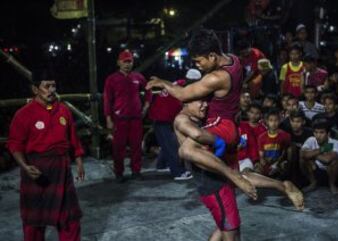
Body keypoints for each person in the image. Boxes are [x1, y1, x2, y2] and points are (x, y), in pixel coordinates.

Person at [146, 28, 257, 198]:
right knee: (182, 125)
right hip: (229, 121)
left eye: (199, 61)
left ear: (212, 56)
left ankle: (230, 174)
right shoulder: (233, 60)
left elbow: (183, 94)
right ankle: (282, 186)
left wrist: (163, 82)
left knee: (186, 150)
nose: (197, 65)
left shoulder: (216, 78)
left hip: (220, 124)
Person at [174, 100, 304, 241]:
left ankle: (282, 186)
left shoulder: (203, 118)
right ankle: (282, 186)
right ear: (186, 101)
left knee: (228, 227)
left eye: (206, 101)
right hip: (212, 184)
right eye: (200, 101)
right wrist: (217, 141)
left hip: (215, 178)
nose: (205, 105)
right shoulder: (182, 119)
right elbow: (193, 138)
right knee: (230, 230)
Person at [7, 68, 84, 241]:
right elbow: (15, 144)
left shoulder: (64, 111)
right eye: (46, 86)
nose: (51, 90)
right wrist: (25, 166)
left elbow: (73, 139)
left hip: (62, 169)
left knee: (70, 219)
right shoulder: (23, 114)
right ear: (35, 89)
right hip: (37, 170)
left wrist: (78, 160)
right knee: (34, 221)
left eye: (53, 86)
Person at [103, 50, 152, 181]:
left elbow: (148, 91)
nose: (127, 64)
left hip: (136, 118)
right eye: (124, 61)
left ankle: (136, 171)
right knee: (118, 148)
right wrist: (108, 118)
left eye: (129, 61)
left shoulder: (138, 77)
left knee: (136, 146)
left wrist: (146, 106)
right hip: (119, 119)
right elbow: (107, 99)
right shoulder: (112, 79)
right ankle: (119, 173)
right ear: (119, 62)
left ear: (133, 62)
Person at [148, 69, 201, 180]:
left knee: (166, 143)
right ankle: (178, 172)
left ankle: (162, 165)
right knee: (172, 146)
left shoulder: (177, 83)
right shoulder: (183, 89)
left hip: (160, 117)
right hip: (162, 118)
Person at [300, 118, 338, 194]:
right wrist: (323, 149)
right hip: (314, 170)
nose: (318, 135)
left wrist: (311, 155)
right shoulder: (311, 140)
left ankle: (332, 185)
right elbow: (302, 154)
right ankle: (313, 183)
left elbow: (328, 159)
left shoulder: (336, 142)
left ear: (328, 134)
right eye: (316, 132)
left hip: (329, 172)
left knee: (335, 162)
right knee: (302, 160)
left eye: (321, 132)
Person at [256, 109, 291, 177]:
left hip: (279, 162)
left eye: (276, 120)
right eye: (271, 120)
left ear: (280, 121)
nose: (273, 123)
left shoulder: (285, 135)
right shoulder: (261, 137)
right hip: (267, 162)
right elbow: (261, 156)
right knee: (258, 169)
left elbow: (284, 152)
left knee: (285, 165)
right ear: (267, 122)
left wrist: (277, 163)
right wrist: (265, 163)